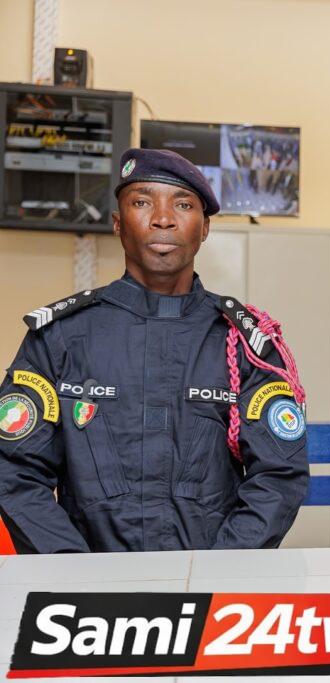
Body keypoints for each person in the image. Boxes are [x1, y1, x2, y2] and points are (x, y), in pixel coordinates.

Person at [0, 148, 309, 553]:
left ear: (204, 228)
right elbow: (14, 470)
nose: (163, 219)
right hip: (88, 581)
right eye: (143, 202)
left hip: (212, 578)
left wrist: (221, 571)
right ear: (118, 224)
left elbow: (279, 475)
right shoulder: (59, 337)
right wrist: (71, 569)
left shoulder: (244, 343)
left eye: (183, 205)